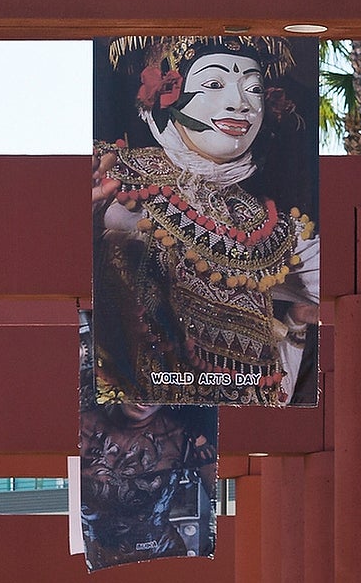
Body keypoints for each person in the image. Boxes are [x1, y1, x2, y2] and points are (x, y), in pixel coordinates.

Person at [91, 35, 321, 407]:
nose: (240, 104)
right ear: (166, 96)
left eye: (254, 88)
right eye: (214, 84)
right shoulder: (115, 177)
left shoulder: (274, 230)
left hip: (234, 432)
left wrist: (294, 326)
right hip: (125, 417)